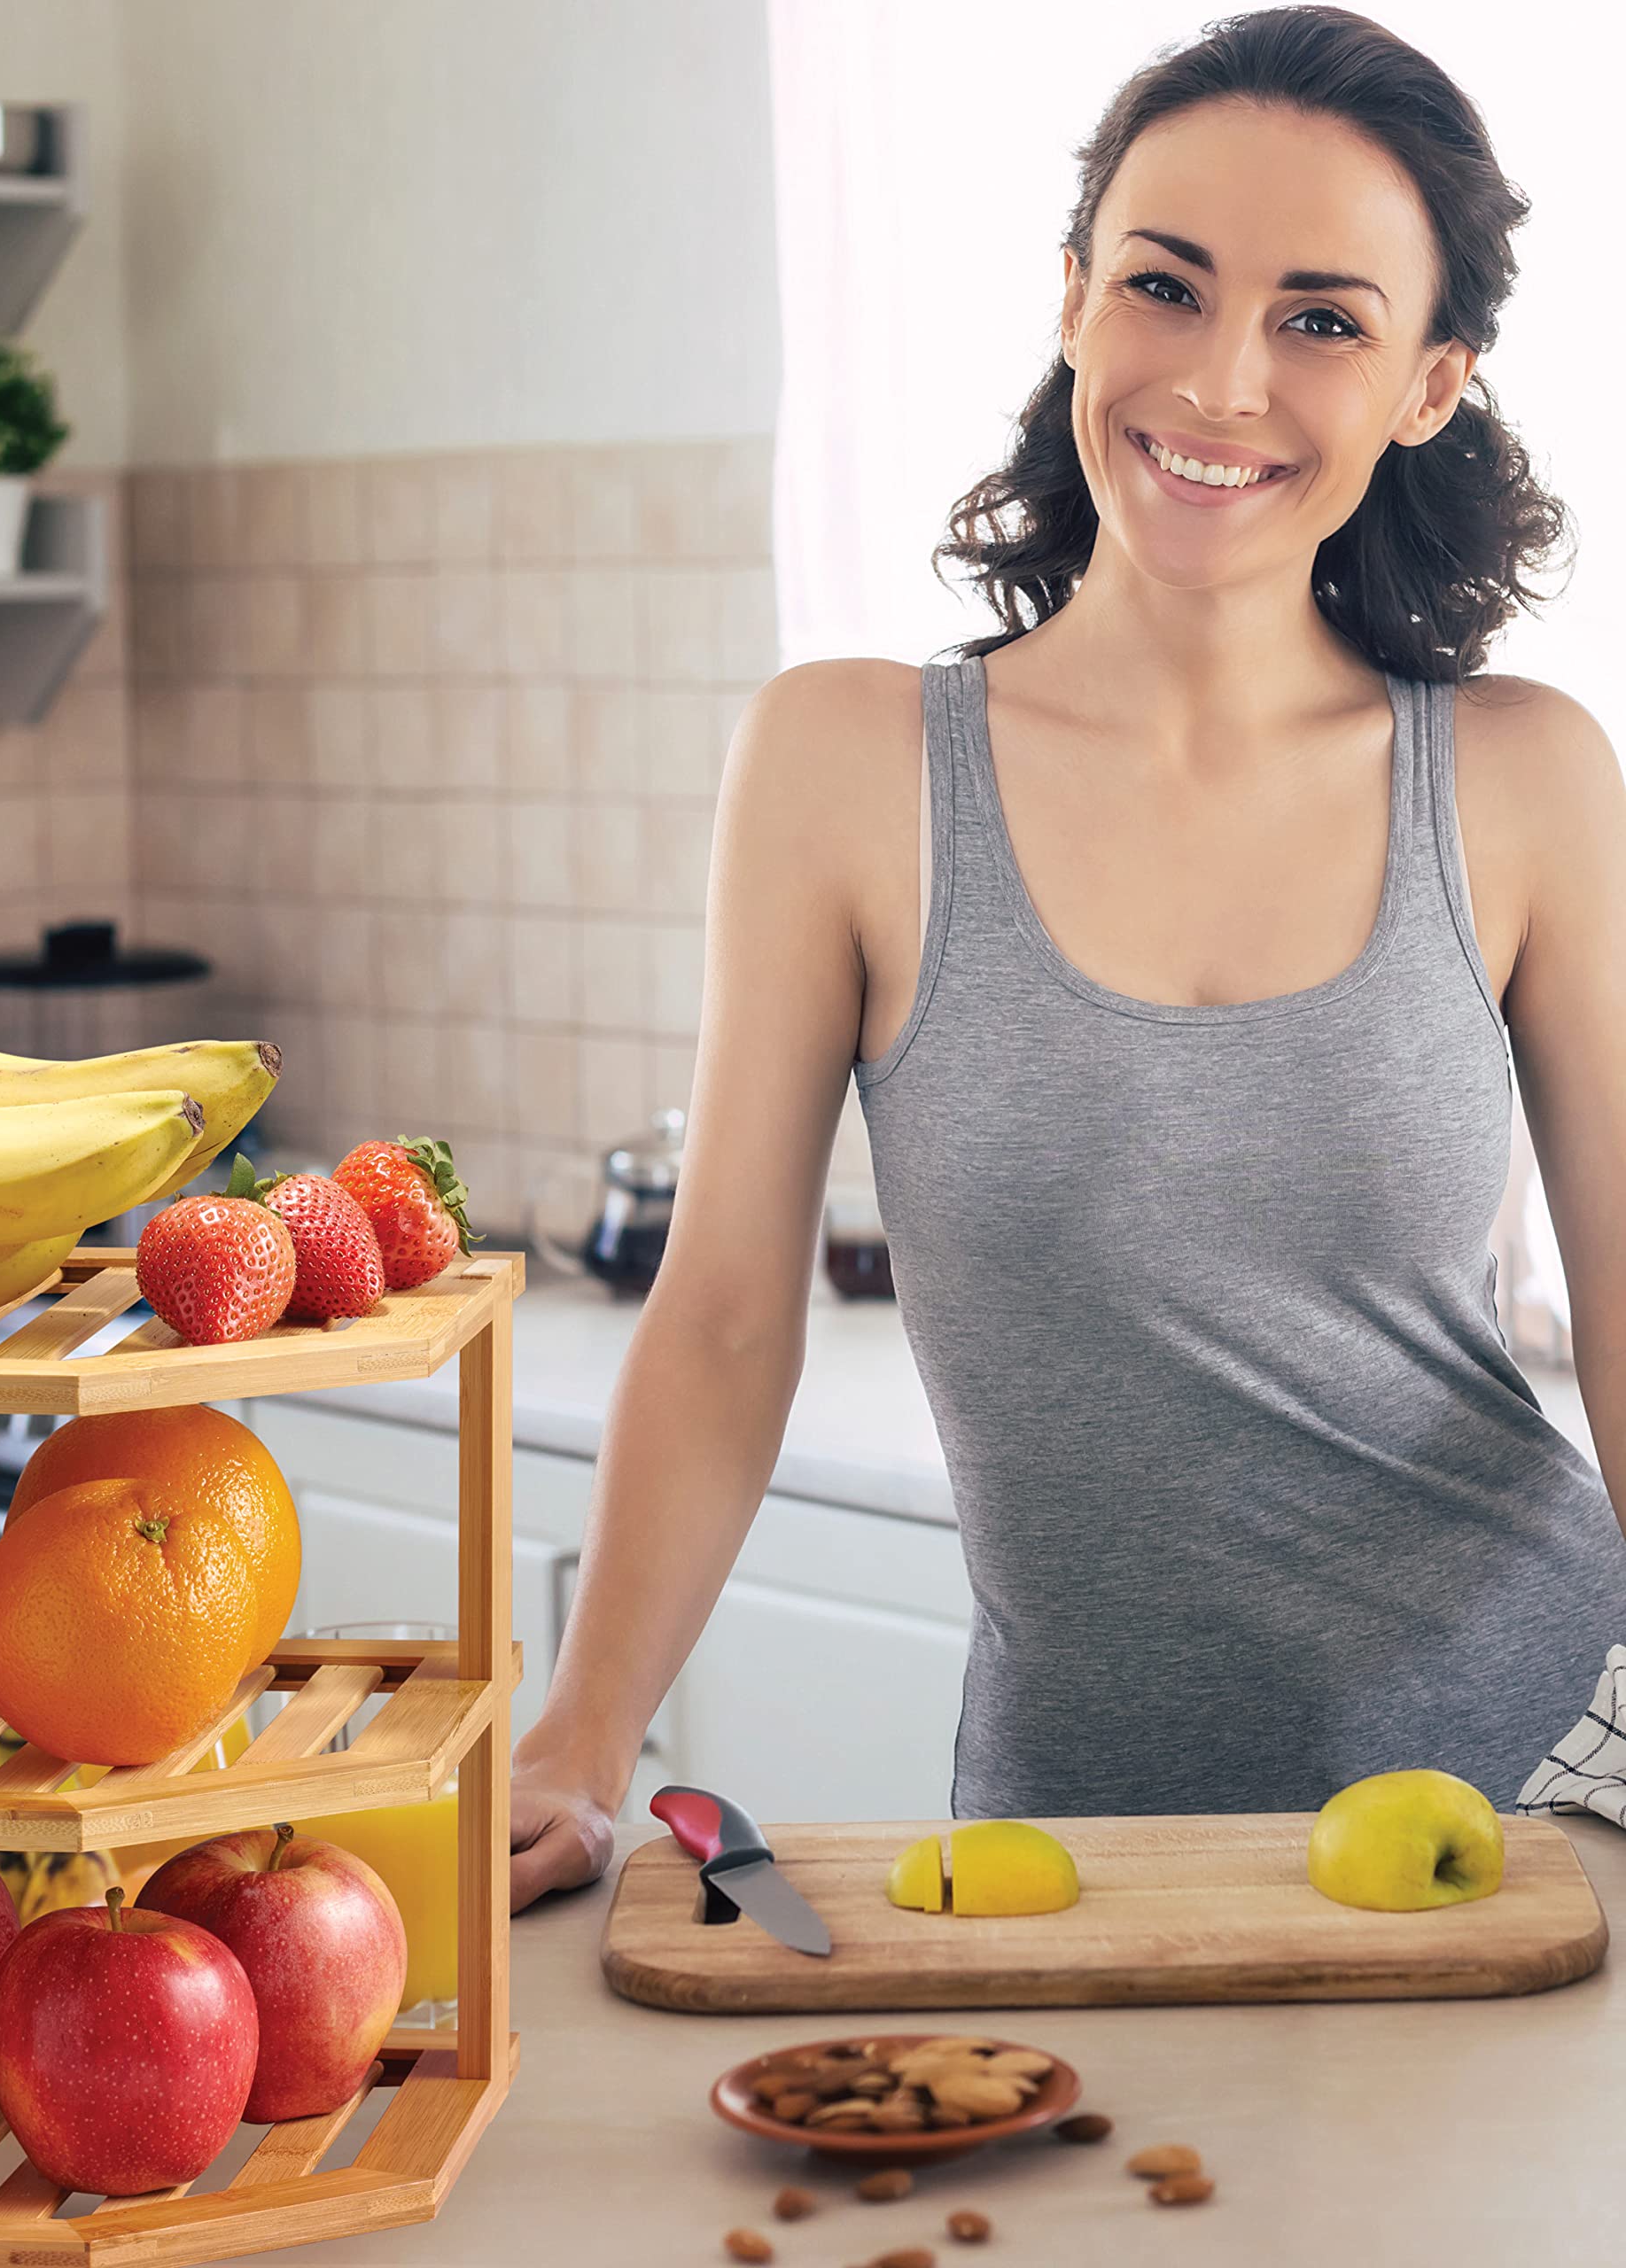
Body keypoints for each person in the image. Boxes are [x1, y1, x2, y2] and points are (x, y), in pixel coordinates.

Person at [510, 4, 1626, 1913]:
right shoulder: (845, 761)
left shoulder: (1518, 777)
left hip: (1520, 1811)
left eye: (1319, 320)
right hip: (1067, 1844)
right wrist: (580, 1727)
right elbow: (717, 1318)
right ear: (1069, 299)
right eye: (1165, 288)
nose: (1216, 382)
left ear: (1428, 382)